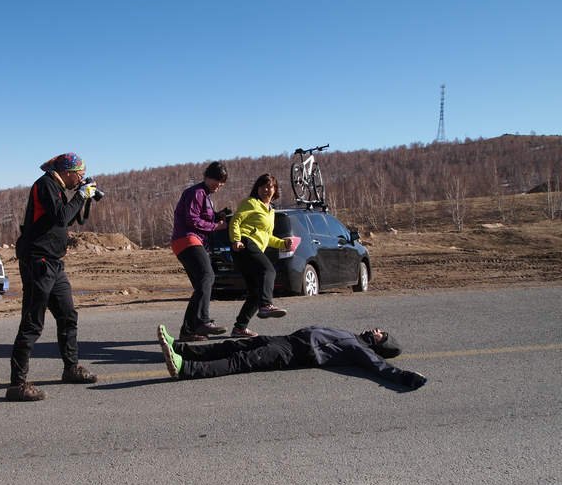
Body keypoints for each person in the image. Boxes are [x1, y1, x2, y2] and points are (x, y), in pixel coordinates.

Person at [7, 153, 99, 402]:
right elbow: (61, 216)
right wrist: (80, 195)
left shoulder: (57, 187)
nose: (80, 178)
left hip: (54, 262)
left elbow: (74, 217)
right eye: (78, 175)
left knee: (68, 315)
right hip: (39, 261)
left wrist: (85, 197)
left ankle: (71, 368)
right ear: (67, 172)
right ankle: (17, 384)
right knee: (32, 322)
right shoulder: (45, 185)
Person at [156, 323, 427, 389]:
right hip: (289, 339)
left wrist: (407, 378)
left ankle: (185, 369)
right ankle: (180, 348)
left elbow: (381, 368)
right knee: (234, 345)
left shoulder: (362, 350)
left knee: (241, 362)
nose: (377, 330)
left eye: (381, 334)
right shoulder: (354, 337)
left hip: (294, 352)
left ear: (382, 344)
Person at [228, 173, 297, 338]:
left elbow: (266, 236)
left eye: (270, 187)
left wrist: (282, 243)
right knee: (269, 270)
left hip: (254, 248)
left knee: (255, 292)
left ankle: (239, 327)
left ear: (275, 190)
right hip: (244, 243)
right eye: (263, 186)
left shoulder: (271, 211)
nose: (267, 190)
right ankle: (266, 305)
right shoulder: (251, 203)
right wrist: (236, 240)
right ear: (257, 188)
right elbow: (235, 221)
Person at [170, 161, 229, 342]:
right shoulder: (197, 192)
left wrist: (217, 215)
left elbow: (200, 217)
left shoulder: (205, 196)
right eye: (216, 180)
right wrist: (215, 226)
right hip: (187, 239)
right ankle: (203, 321)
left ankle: (188, 331)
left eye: (222, 182)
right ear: (206, 177)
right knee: (207, 276)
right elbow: (192, 220)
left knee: (201, 286)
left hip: (187, 241)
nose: (218, 184)